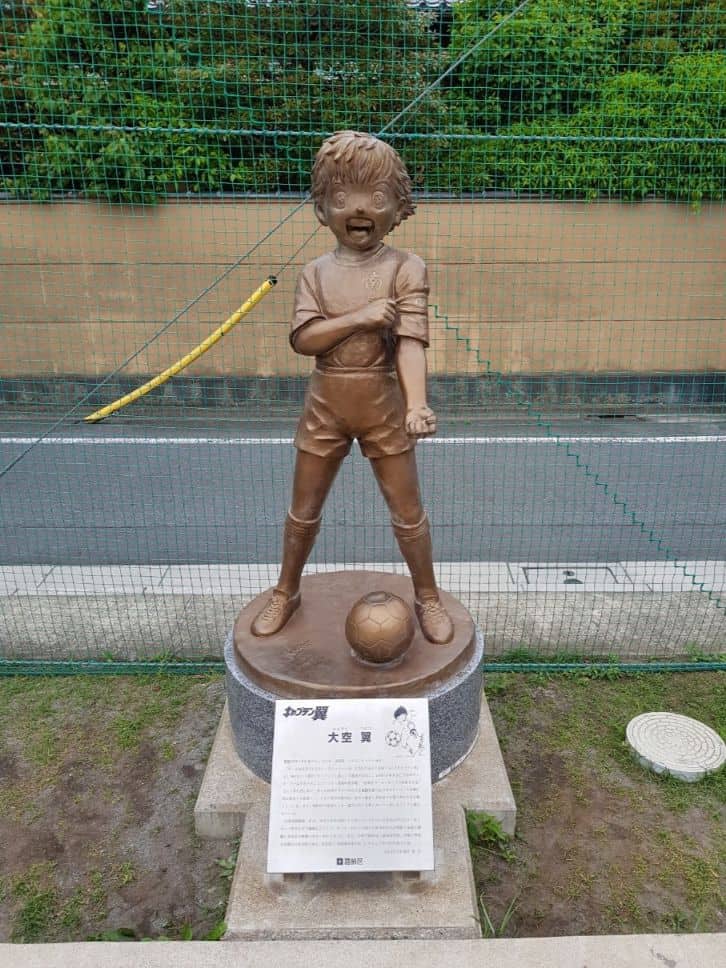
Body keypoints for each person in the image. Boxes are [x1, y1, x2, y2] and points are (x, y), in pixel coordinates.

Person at [251, 130, 453, 645]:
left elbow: (411, 341)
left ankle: (427, 595)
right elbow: (305, 339)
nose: (359, 209)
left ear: (398, 207)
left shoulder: (406, 267)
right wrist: (362, 316)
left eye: (377, 197)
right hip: (326, 402)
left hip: (383, 402)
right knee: (303, 509)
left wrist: (418, 404)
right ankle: (286, 590)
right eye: (342, 197)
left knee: (408, 512)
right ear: (322, 208)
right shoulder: (314, 273)